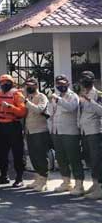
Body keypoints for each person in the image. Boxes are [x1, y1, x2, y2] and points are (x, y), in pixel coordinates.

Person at [48, 74, 84, 195]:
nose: (61, 86)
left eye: (63, 83)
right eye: (58, 84)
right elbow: (51, 114)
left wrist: (58, 100)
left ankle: (79, 184)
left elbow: (71, 108)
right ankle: (66, 182)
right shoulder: (55, 96)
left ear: (68, 83)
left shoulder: (72, 96)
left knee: (74, 158)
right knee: (61, 158)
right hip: (57, 132)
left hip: (70, 132)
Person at [0, 74, 27, 187]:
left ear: (12, 83)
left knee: (17, 153)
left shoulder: (17, 94)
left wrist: (10, 107)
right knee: (1, 153)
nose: (4, 84)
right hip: (2, 126)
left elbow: (22, 112)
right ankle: (3, 176)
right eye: (2, 82)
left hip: (14, 126)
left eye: (7, 82)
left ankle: (19, 178)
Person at [23, 77, 51, 192]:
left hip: (40, 130)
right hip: (29, 131)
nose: (29, 87)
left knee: (40, 155)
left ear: (36, 86)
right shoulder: (27, 97)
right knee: (33, 156)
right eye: (27, 85)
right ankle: (38, 178)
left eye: (31, 85)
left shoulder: (41, 97)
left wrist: (26, 102)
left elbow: (40, 109)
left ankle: (44, 180)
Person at [77, 71, 102, 199]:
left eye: (86, 79)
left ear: (92, 80)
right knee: (89, 158)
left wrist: (91, 100)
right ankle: (95, 183)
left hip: (94, 131)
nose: (83, 82)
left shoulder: (98, 94)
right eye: (82, 79)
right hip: (84, 131)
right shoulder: (82, 94)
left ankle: (100, 188)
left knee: (97, 159)